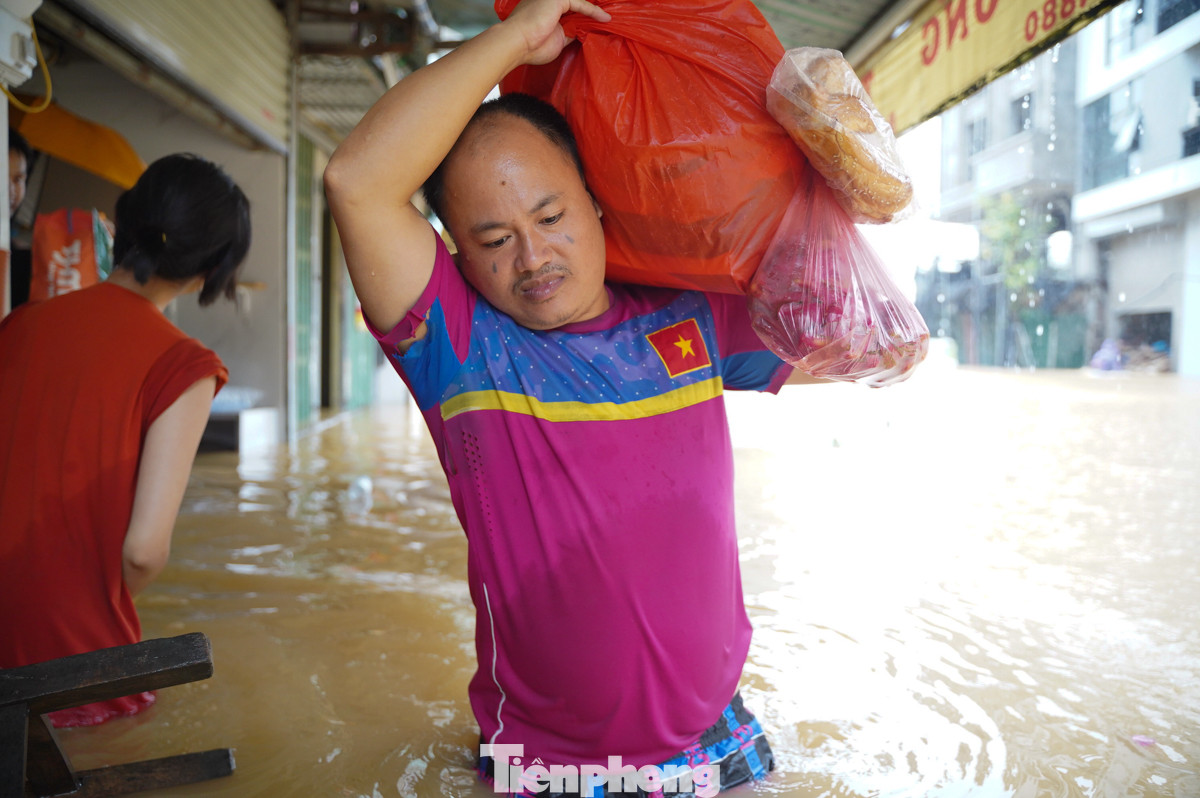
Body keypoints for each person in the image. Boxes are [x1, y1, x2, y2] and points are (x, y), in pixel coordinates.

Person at [325, 0, 818, 793]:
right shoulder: (461, 349)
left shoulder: (688, 311)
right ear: (459, 256)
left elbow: (834, 329)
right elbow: (356, 181)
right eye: (493, 240)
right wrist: (516, 40)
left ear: (595, 199)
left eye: (551, 216)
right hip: (554, 768)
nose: (533, 256)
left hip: (719, 741)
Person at [0, 153, 251, 727]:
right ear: (211, 269)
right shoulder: (185, 366)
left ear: (124, 224)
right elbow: (143, 550)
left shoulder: (17, 326)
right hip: (69, 661)